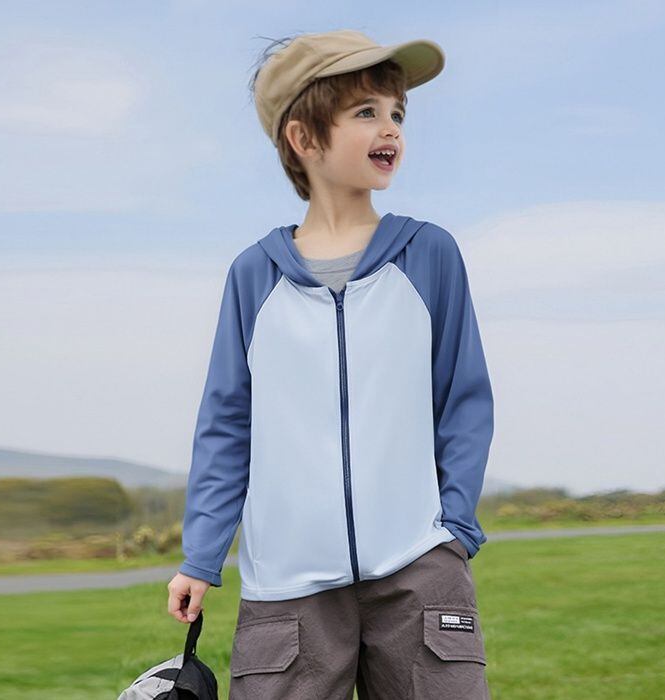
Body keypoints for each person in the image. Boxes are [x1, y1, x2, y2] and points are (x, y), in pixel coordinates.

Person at [167, 29, 494, 699]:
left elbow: (463, 398)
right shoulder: (253, 276)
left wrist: (453, 529)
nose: (391, 128)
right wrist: (201, 555)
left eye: (397, 112)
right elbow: (227, 424)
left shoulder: (430, 255)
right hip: (285, 585)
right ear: (304, 138)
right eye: (366, 112)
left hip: (418, 568)